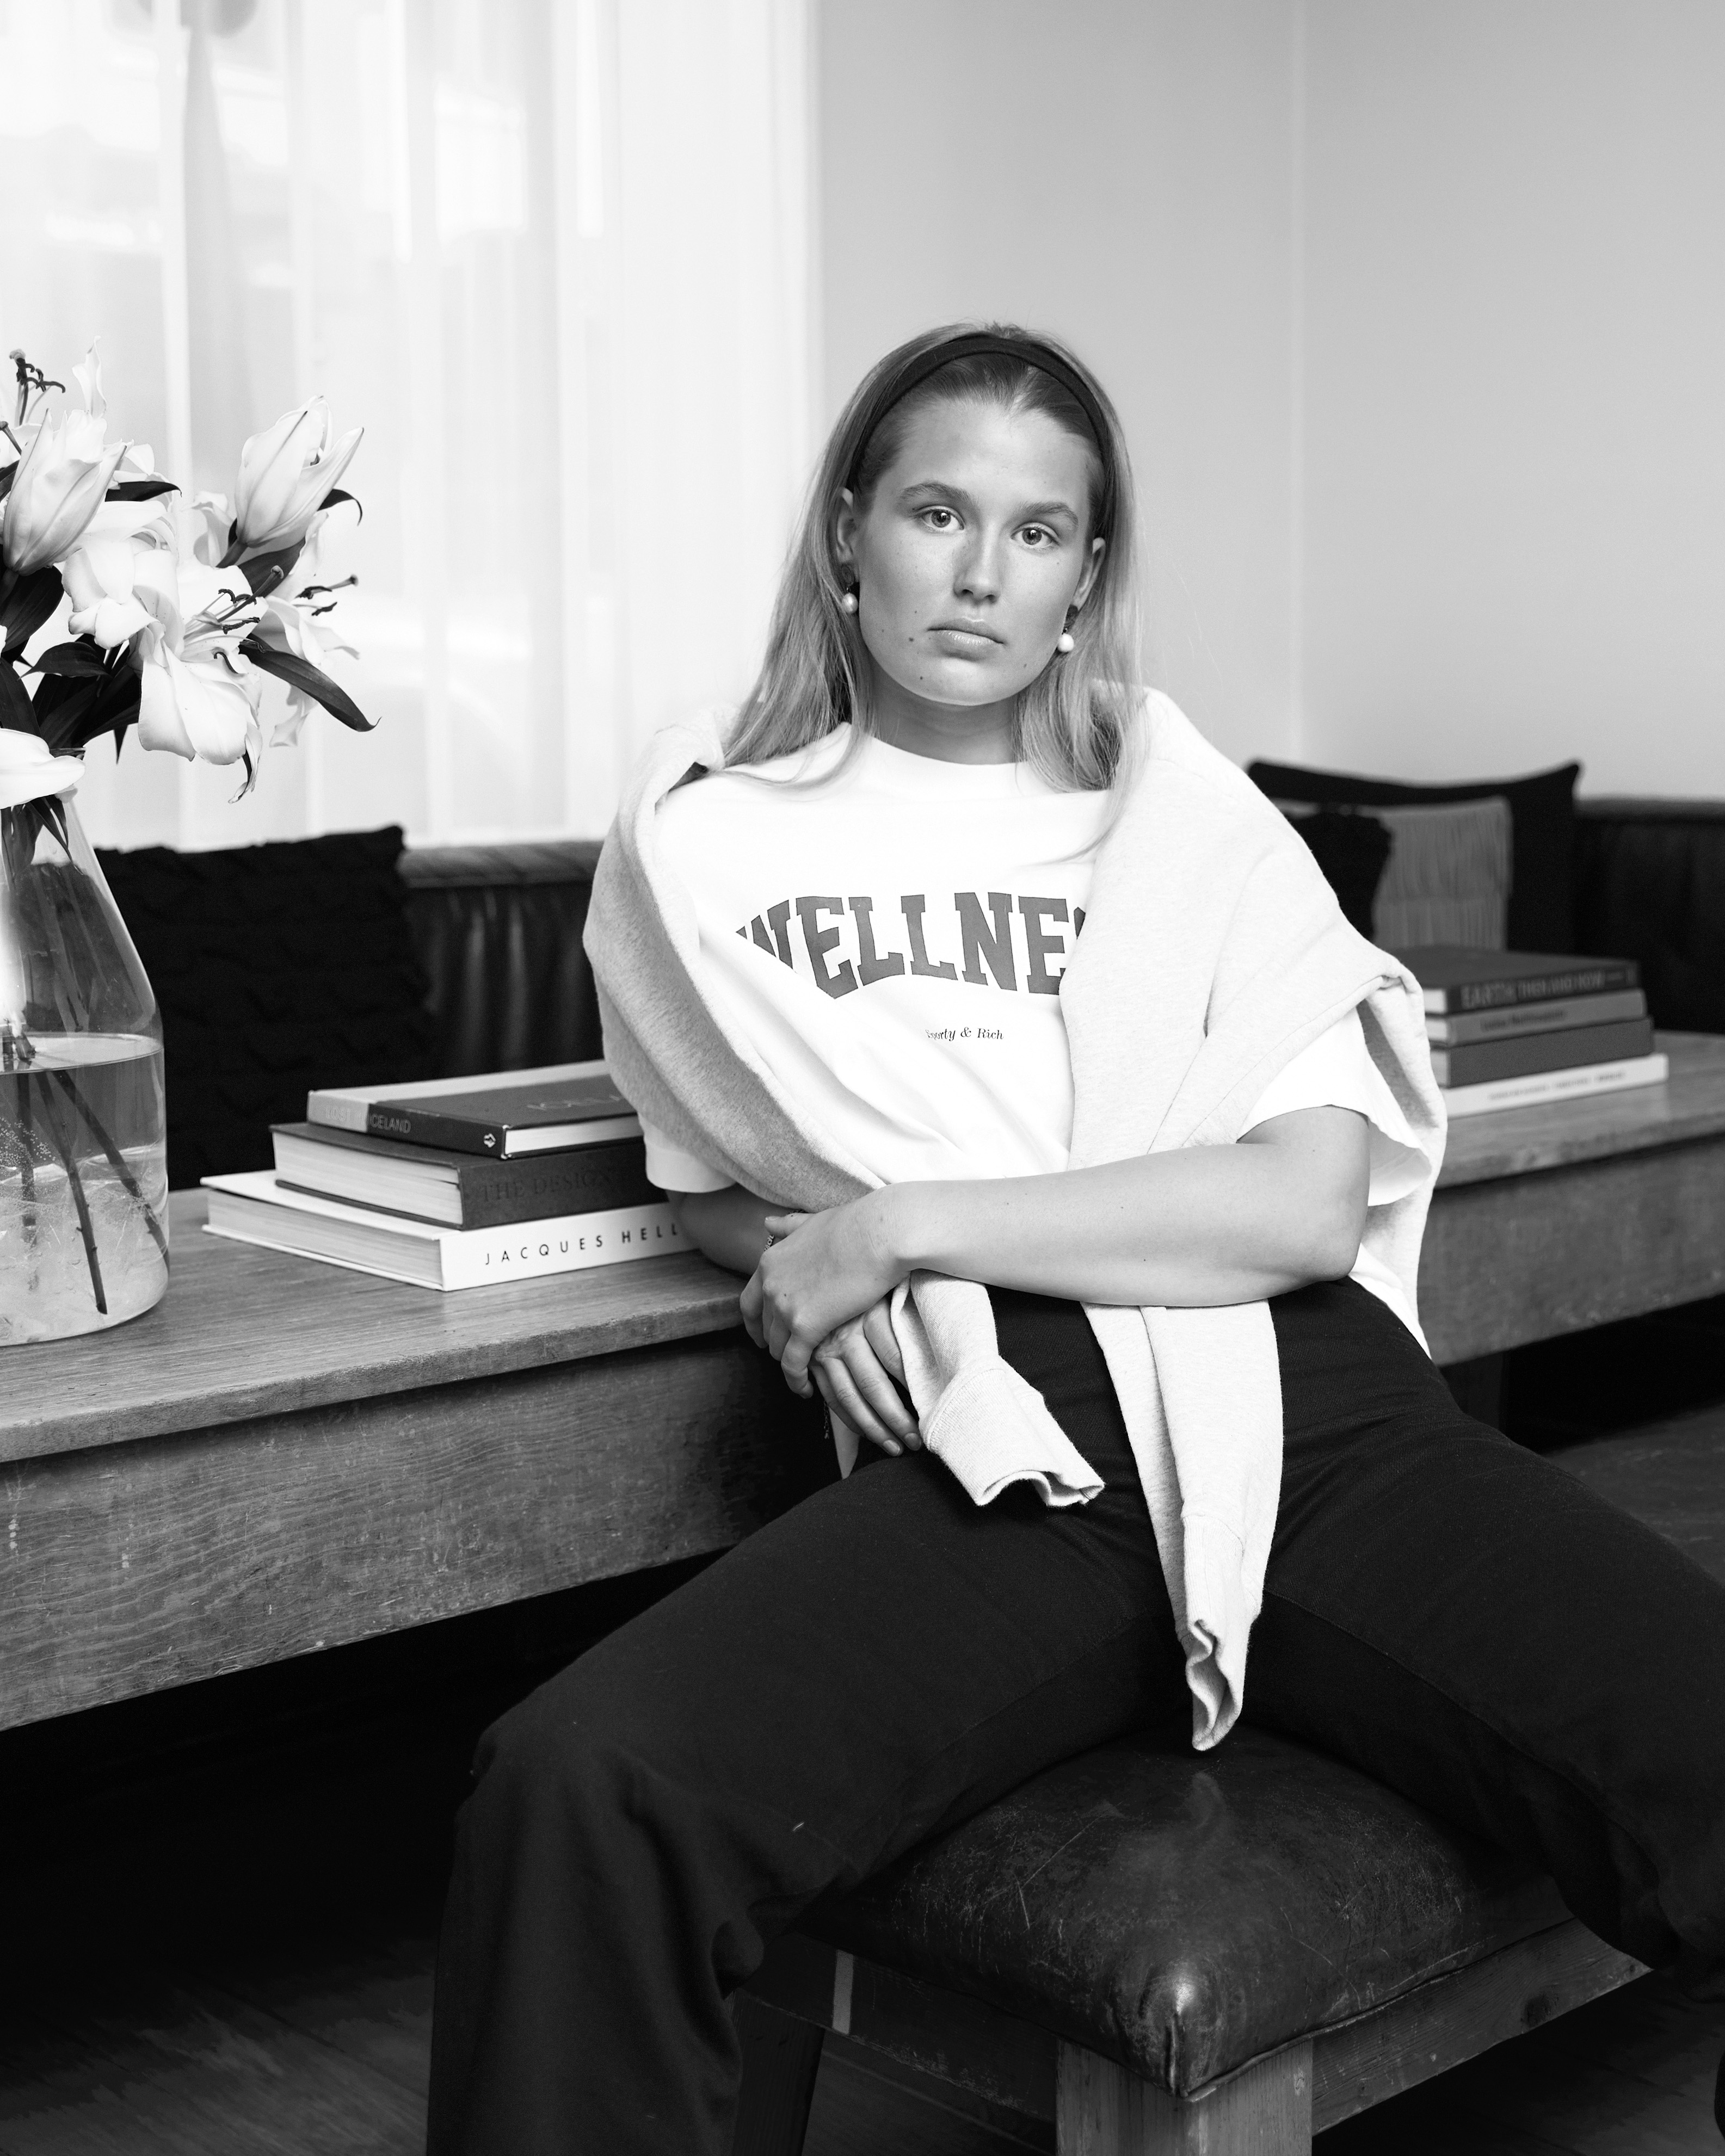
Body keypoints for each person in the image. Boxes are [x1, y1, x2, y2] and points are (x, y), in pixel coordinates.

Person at [426, 325, 1725, 2154]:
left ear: (1083, 577)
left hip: (1306, 1399)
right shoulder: (704, 849)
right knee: (582, 1787)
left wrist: (900, 1225)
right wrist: (822, 1256)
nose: (981, 570)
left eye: (1037, 531)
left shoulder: (1182, 817)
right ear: (847, 531)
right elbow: (720, 1170)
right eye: (936, 512)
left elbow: (1297, 1197)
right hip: (1012, 1432)